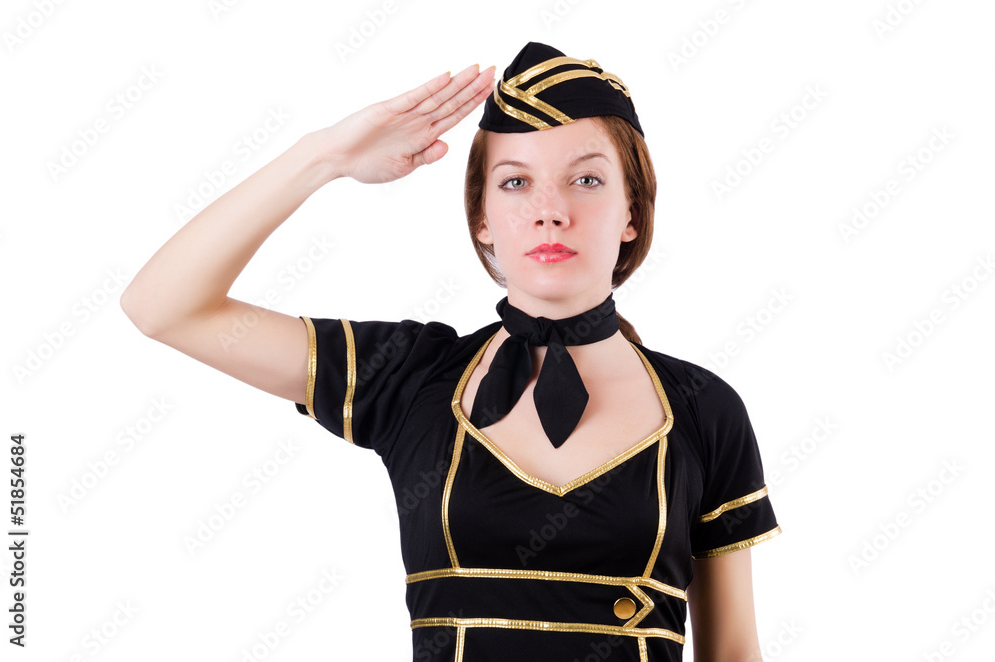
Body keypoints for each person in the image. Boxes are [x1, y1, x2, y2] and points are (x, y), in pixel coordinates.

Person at [122, 41, 780, 662]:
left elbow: (734, 653)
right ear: (481, 219)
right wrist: (322, 157)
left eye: (585, 180)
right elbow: (163, 307)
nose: (550, 210)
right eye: (516, 183)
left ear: (631, 212)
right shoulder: (408, 377)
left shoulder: (704, 409)